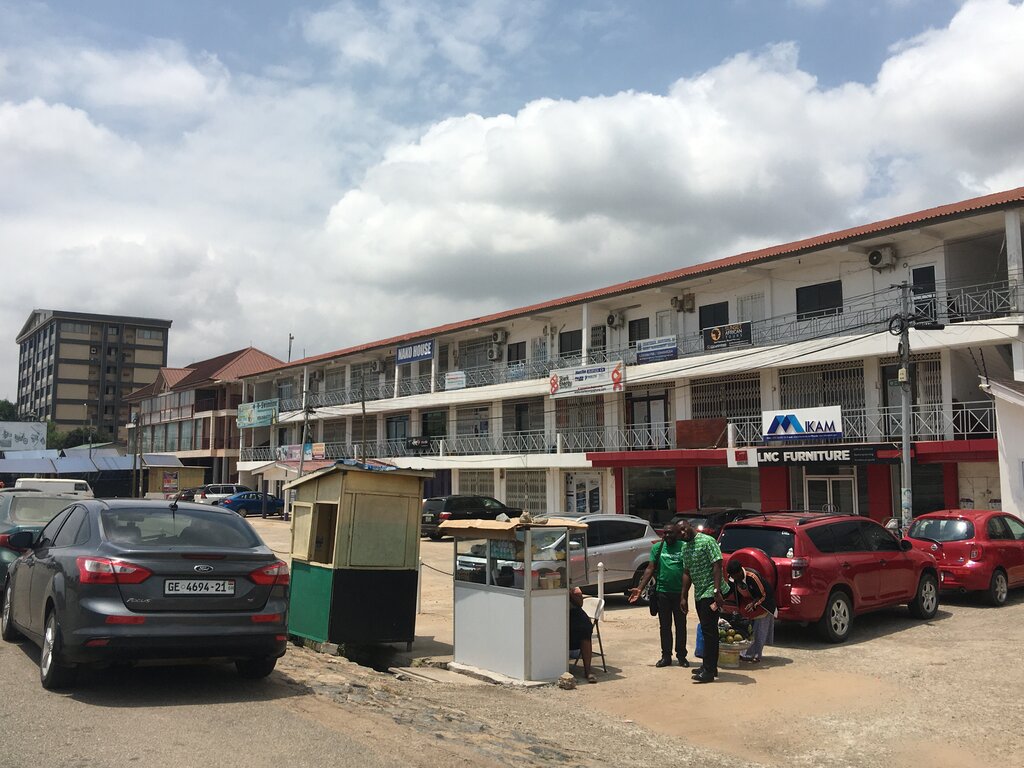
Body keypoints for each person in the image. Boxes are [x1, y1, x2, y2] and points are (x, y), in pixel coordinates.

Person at [628, 522, 689, 668]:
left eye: (671, 533)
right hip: (662, 593)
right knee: (665, 626)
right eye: (665, 533)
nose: (667, 535)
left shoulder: (684, 547)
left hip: (679, 594)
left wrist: (684, 596)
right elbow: (650, 568)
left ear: (677, 533)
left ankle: (681, 656)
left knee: (681, 626)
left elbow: (688, 571)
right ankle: (666, 656)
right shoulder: (658, 547)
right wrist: (640, 588)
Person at [679, 521, 729, 684]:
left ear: (690, 526)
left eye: (683, 529)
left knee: (709, 630)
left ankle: (708, 670)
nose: (682, 533)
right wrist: (684, 596)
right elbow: (687, 572)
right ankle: (709, 666)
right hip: (699, 592)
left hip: (711, 590)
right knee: (707, 629)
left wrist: (716, 591)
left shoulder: (708, 541)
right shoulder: (685, 547)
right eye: (678, 532)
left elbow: (717, 564)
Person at [725, 559, 776, 663]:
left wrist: (753, 604)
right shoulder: (733, 579)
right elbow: (729, 590)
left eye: (735, 576)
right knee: (747, 630)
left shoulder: (752, 577)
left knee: (759, 631)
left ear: (740, 572)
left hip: (763, 604)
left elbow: (763, 595)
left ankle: (756, 655)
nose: (734, 579)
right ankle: (745, 654)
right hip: (747, 605)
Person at [569, 586, 597, 683]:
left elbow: (580, 603)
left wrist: (570, 593)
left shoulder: (573, 587)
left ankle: (587, 671)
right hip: (555, 613)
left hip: (574, 613)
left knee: (585, 629)